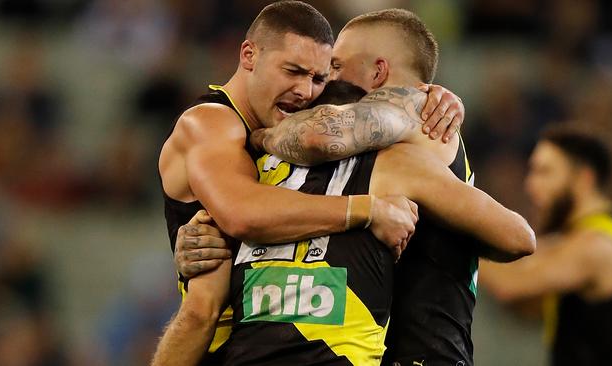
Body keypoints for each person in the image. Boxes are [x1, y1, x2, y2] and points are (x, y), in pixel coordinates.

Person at [175, 8, 536, 366]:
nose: (321, 84)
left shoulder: (418, 114)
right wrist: (196, 240)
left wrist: (259, 135)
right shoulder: (372, 151)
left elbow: (318, 135)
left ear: (378, 72)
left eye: (333, 66)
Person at [479, 125, 612, 366]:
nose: (531, 185)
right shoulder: (592, 234)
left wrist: (450, 239)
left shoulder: (596, 245)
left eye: (544, 172)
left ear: (583, 178)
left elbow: (510, 283)